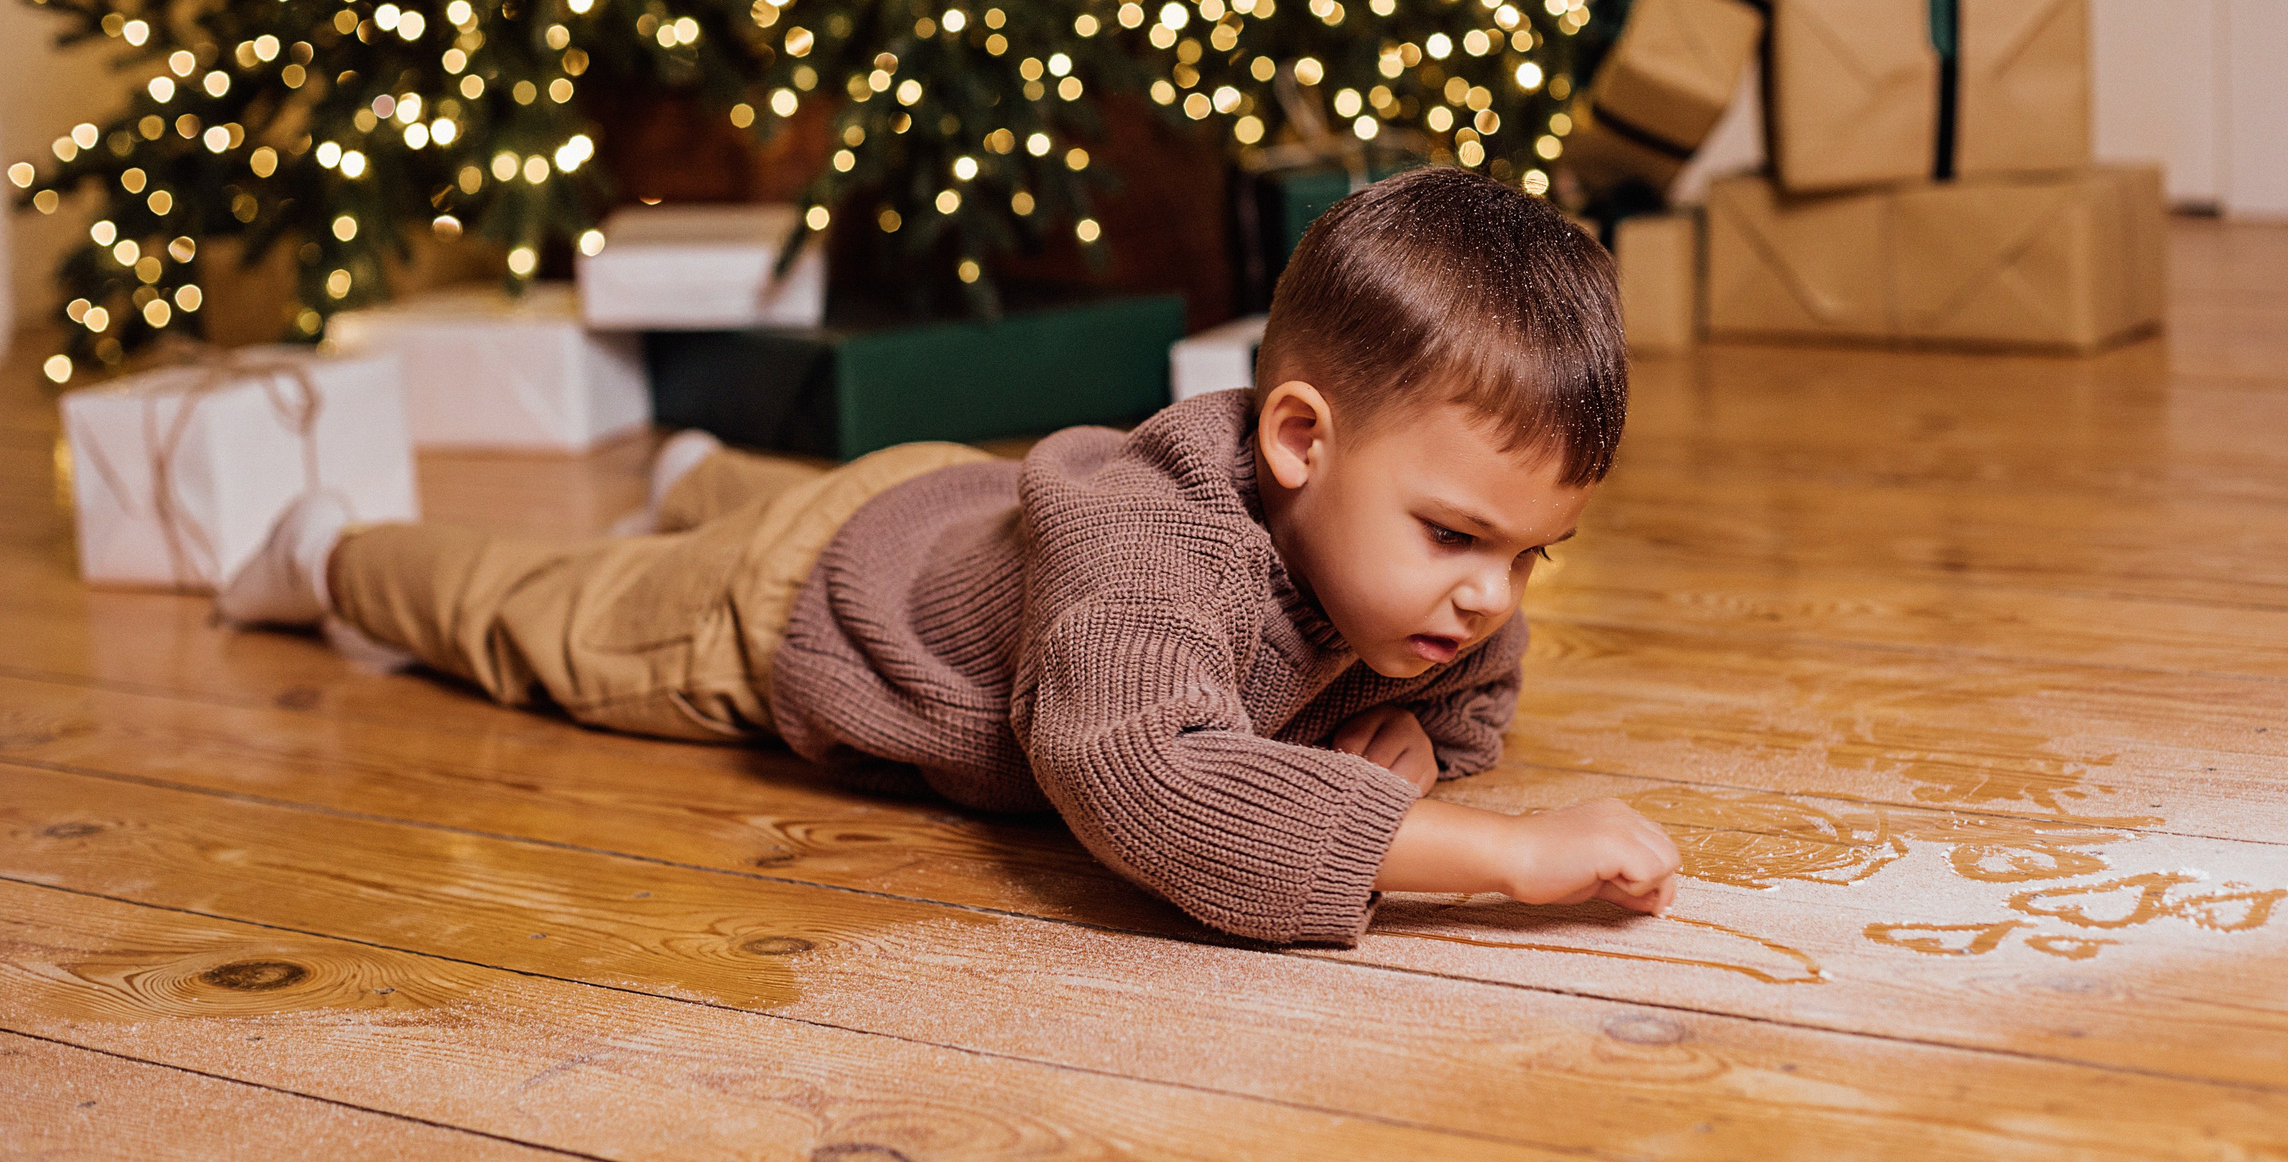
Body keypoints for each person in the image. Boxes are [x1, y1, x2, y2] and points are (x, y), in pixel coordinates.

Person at [217, 167, 1681, 944]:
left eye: (1535, 556)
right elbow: (1147, 778)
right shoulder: (1155, 557)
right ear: (1297, 440)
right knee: (540, 618)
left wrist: (1405, 742)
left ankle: (694, 471)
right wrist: (1497, 857)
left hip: (955, 513)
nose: (1492, 597)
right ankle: (335, 554)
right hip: (806, 600)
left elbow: (1468, 695)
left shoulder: (1429, 588)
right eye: (1459, 539)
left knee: (827, 491)